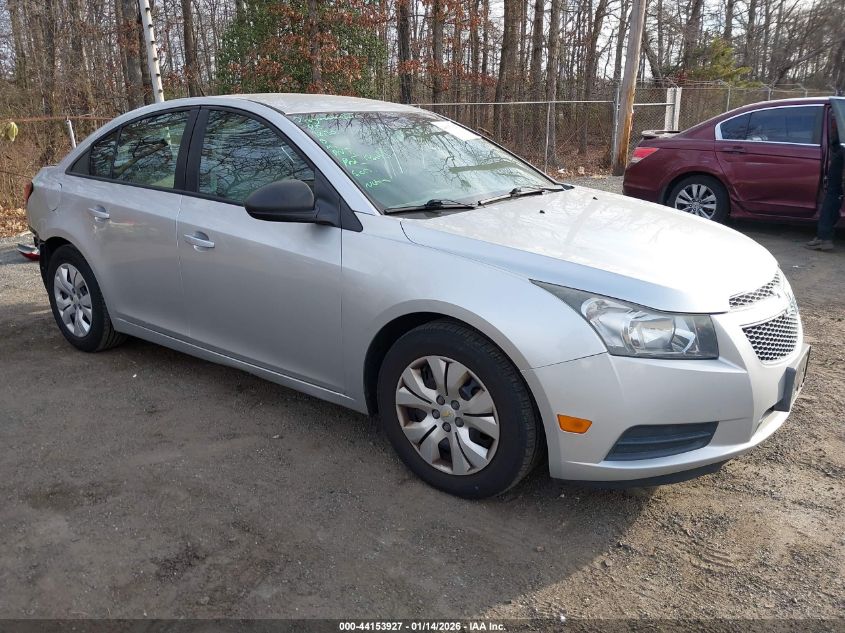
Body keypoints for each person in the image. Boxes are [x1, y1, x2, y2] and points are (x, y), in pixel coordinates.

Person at [806, 115, 843, 251]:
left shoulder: (840, 111)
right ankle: (824, 237)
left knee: (832, 196)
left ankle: (824, 237)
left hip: (840, 157)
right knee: (834, 196)